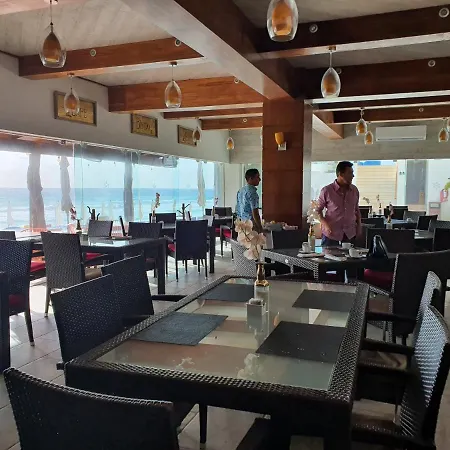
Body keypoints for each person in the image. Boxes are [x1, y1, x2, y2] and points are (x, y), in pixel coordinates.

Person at [317, 161, 361, 246]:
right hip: (331, 235)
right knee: (328, 255)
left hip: (350, 234)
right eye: (350, 173)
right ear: (341, 174)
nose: (353, 176)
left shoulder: (354, 190)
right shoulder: (327, 191)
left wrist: (359, 226)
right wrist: (325, 224)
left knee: (350, 255)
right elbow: (317, 210)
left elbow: (356, 210)